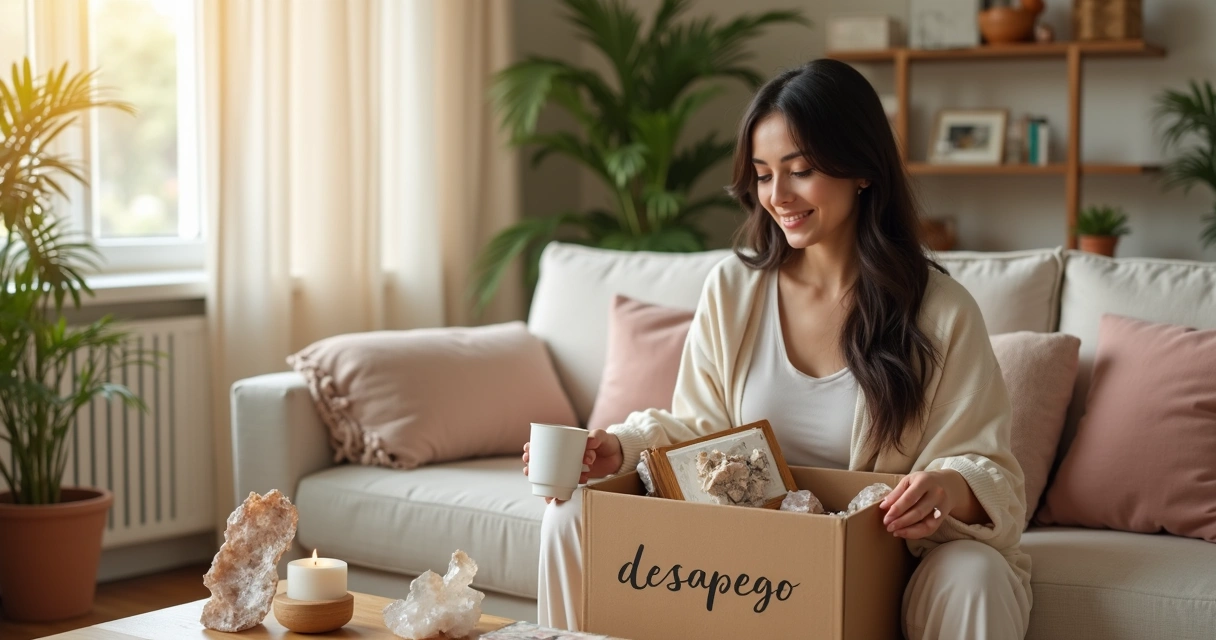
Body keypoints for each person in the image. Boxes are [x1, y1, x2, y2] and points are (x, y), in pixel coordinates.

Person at [522, 58, 1031, 640]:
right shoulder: (735, 290)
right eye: (763, 175)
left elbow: (989, 470)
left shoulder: (940, 310)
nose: (778, 195)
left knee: (974, 575)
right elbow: (700, 429)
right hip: (748, 557)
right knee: (569, 517)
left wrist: (948, 490)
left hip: (886, 562)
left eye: (801, 170)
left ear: (862, 169)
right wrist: (619, 447)